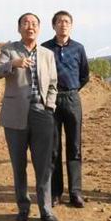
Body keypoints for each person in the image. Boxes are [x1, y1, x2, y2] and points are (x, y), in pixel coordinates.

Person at [0, 13, 59, 221]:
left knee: (43, 165)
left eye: (34, 23)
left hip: (41, 113)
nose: (30, 27)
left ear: (39, 28)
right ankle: (23, 207)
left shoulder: (47, 54)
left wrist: (49, 106)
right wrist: (13, 64)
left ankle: (46, 209)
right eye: (26, 23)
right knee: (18, 164)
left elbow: (53, 83)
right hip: (15, 115)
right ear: (19, 28)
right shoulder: (9, 50)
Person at [41, 11, 89, 208]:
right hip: (51, 100)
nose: (63, 25)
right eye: (59, 22)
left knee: (74, 146)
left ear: (71, 25)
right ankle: (56, 192)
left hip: (72, 98)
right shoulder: (44, 48)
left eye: (67, 21)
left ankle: (75, 192)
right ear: (53, 26)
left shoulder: (78, 48)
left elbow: (84, 75)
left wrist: (72, 89)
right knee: (53, 148)